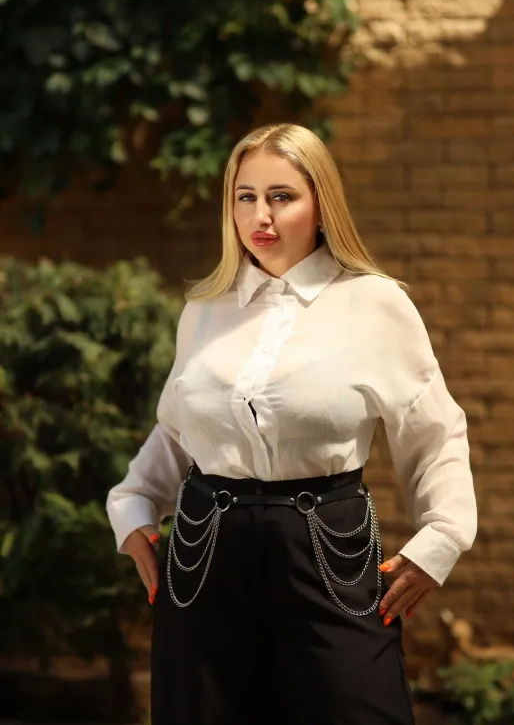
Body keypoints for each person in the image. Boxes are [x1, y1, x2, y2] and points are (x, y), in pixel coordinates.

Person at [106, 123, 477, 725]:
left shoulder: (376, 303)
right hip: (204, 555)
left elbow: (434, 433)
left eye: (281, 196)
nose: (262, 216)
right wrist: (131, 506)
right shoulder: (204, 308)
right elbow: (178, 429)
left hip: (327, 550)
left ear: (321, 205)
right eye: (245, 196)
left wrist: (441, 540)